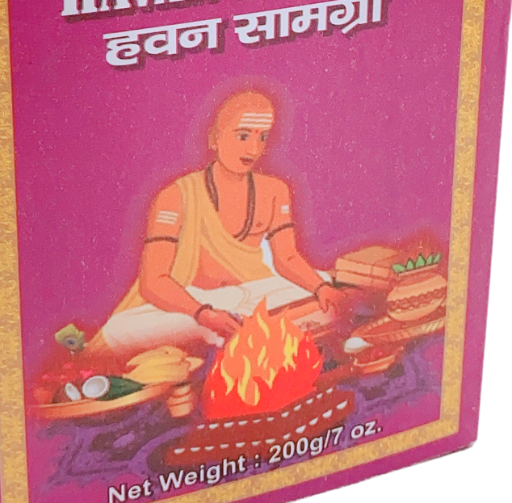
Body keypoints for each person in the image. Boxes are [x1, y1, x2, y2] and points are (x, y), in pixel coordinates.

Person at [91, 90, 342, 357]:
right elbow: (153, 282)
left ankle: (241, 330)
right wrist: (202, 313)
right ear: (215, 138)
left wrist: (321, 288)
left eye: (262, 137)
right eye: (243, 136)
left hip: (254, 292)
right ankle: (238, 330)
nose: (253, 149)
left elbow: (287, 258)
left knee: (327, 283)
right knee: (120, 327)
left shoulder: (274, 190)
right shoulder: (176, 196)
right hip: (193, 301)